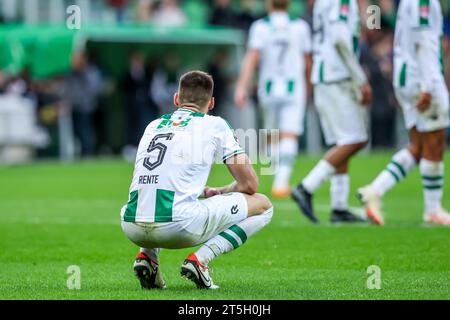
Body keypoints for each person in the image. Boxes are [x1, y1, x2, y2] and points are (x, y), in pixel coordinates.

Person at [120, 71, 273, 290]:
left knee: (152, 194)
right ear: (211, 103)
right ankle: (200, 261)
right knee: (263, 205)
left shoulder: (153, 125)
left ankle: (148, 257)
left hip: (131, 225)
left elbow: (165, 175)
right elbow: (250, 184)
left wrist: (205, 190)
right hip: (178, 226)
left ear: (176, 99)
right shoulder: (215, 125)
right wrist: (223, 190)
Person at [358, 0, 450, 226]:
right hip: (421, 79)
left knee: (418, 146)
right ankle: (433, 209)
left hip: (407, 78)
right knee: (435, 143)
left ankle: (375, 190)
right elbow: (424, 42)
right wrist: (429, 86)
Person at [291, 0, 372, 224]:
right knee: (356, 139)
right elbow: (339, 39)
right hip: (337, 78)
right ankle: (306, 187)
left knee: (343, 141)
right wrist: (360, 78)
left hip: (326, 75)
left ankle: (339, 207)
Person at [235, 0, 313, 198]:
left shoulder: (260, 27)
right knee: (290, 133)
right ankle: (281, 181)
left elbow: (252, 57)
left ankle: (279, 177)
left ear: (268, 4)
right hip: (294, 87)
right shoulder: (300, 26)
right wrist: (310, 86)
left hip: (268, 87)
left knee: (272, 134)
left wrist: (241, 86)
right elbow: (307, 62)